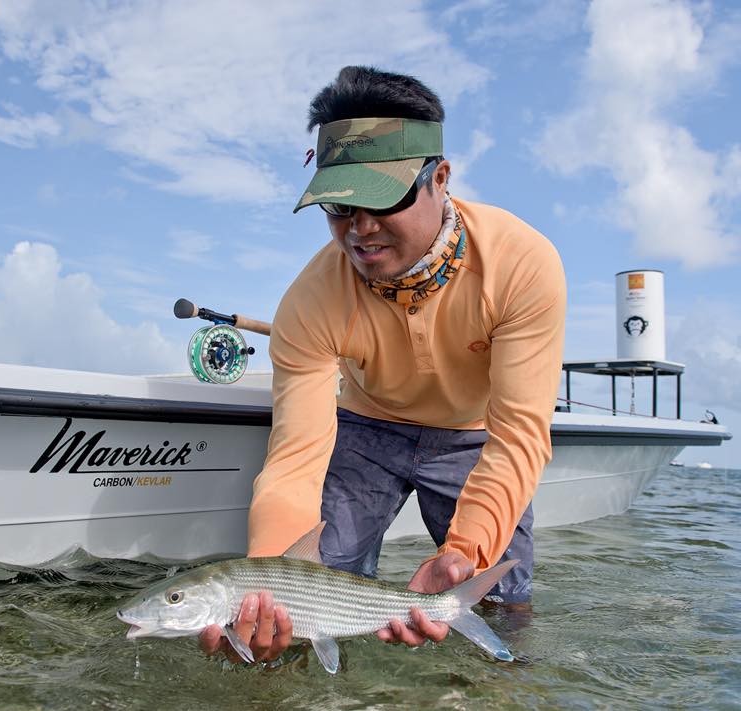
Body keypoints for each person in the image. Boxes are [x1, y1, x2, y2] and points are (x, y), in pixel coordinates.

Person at [201, 65, 566, 664]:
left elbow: (520, 434)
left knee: (502, 596)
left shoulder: (523, 264)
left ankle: (502, 684)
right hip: (367, 429)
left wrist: (465, 552)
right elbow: (295, 460)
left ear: (440, 178)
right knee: (315, 590)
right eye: (340, 205)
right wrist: (266, 588)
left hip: (474, 438)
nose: (360, 228)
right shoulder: (308, 302)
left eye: (383, 198)